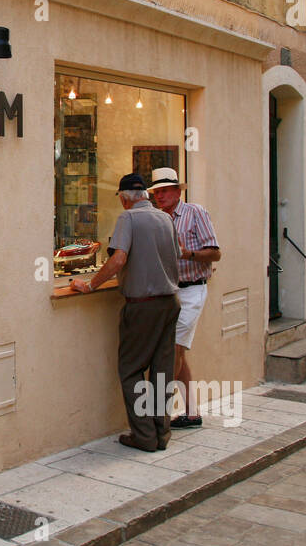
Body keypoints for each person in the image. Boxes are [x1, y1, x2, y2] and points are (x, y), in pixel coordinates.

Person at [70, 173, 180, 452]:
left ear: (123, 197)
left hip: (143, 305)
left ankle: (144, 436)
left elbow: (118, 259)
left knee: (131, 369)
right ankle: (161, 432)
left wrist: (92, 285)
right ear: (146, 195)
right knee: (161, 371)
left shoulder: (128, 219)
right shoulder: (165, 218)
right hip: (170, 301)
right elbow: (175, 255)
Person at [147, 167, 221, 429]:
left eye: (166, 190)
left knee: (173, 350)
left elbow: (215, 253)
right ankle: (191, 412)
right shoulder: (156, 218)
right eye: (157, 191)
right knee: (179, 352)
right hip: (168, 292)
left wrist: (187, 254)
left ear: (178, 191)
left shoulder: (195, 213)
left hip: (192, 290)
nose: (160, 195)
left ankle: (157, 414)